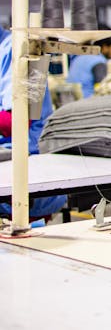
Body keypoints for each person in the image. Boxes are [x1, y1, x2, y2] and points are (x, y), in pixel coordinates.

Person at [0, 30, 67, 221]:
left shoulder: (23, 50)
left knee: (23, 244)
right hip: (11, 168)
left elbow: (18, 120)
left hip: (25, 170)